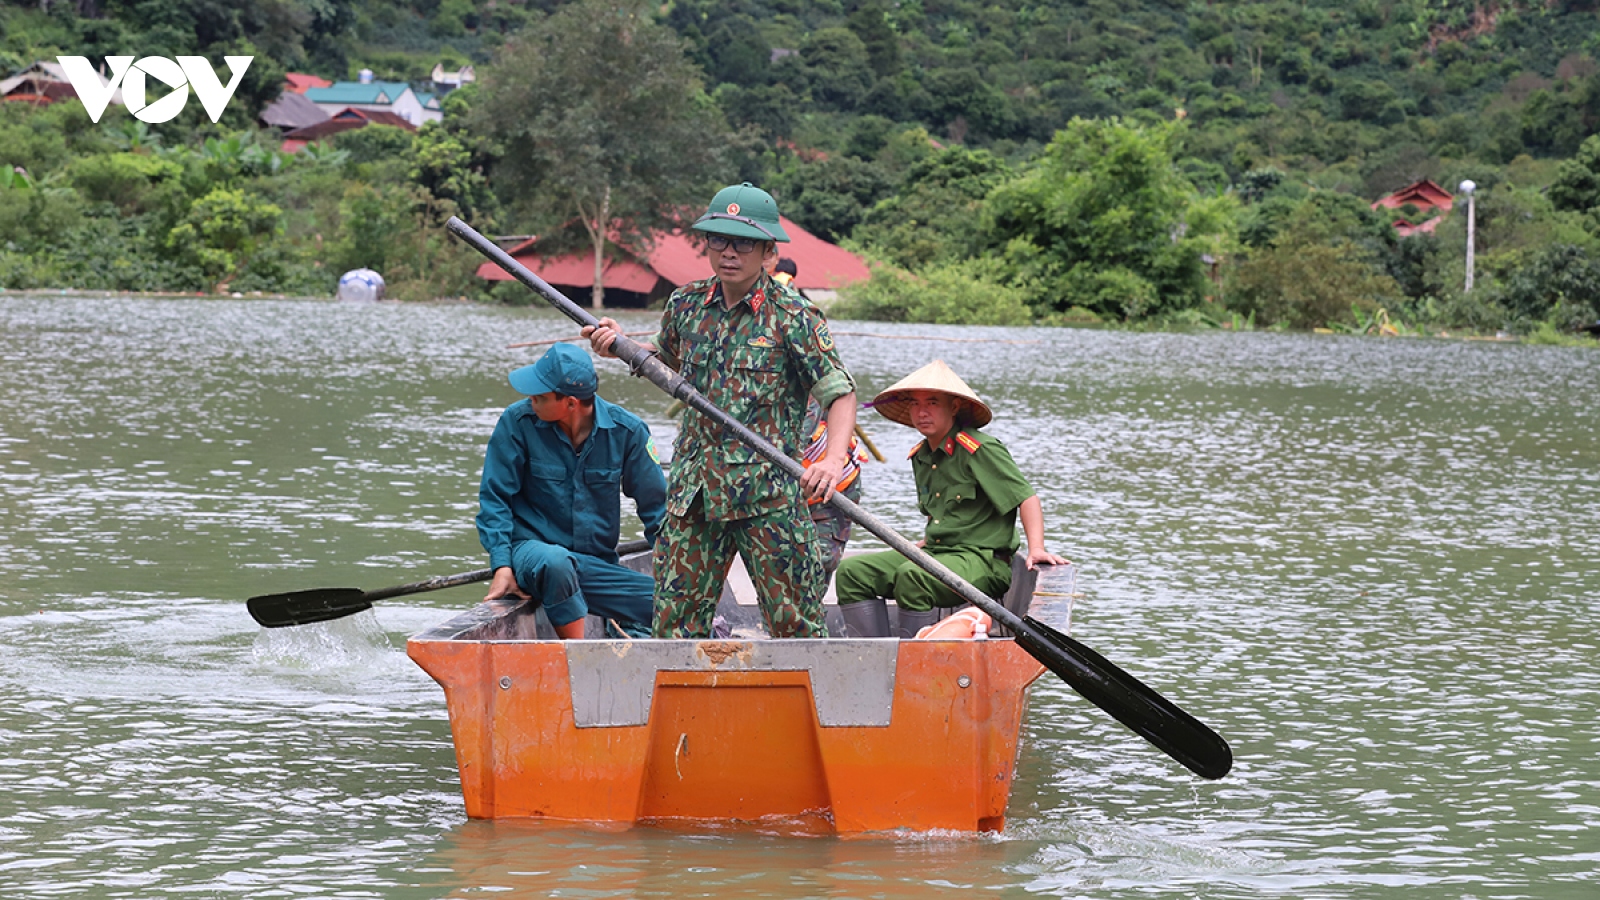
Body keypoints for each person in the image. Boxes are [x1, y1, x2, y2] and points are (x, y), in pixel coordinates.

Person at [584, 182, 858, 639]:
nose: (729, 253)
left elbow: (839, 392)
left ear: (768, 251)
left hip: (768, 496)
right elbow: (661, 357)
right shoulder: (686, 304)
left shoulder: (794, 315)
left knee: (797, 626)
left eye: (744, 243)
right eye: (719, 239)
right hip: (696, 496)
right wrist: (619, 345)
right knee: (674, 623)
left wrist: (831, 460)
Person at [833, 360, 1069, 638]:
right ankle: (874, 657)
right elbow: (942, 515)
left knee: (913, 576)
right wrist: (927, 542)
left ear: (954, 407)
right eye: (915, 404)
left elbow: (1026, 497)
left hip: (982, 561)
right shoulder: (921, 455)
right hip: (940, 554)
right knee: (852, 572)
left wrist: (1036, 548)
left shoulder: (979, 449)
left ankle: (912, 662)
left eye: (932, 403)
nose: (922, 412)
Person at [477, 343, 668, 639]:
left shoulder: (628, 432)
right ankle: (577, 657)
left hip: (594, 568)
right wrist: (501, 565)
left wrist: (677, 575)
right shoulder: (517, 423)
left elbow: (658, 512)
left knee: (676, 606)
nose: (531, 400)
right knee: (557, 564)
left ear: (570, 403)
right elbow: (495, 499)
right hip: (534, 556)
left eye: (540, 396)